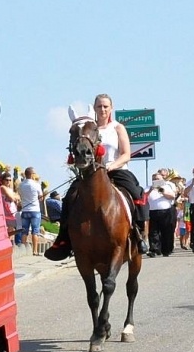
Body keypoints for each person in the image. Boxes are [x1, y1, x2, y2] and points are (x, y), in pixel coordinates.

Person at [44, 94, 149, 259]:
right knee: (69, 198)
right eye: (99, 106)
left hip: (116, 169)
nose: (103, 110)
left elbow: (126, 154)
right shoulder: (88, 128)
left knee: (137, 194)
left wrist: (111, 166)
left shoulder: (118, 127)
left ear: (111, 108)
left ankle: (140, 234)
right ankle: (64, 240)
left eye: (106, 106)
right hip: (92, 173)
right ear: (94, 109)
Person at [146, 169, 179, 257]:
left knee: (166, 232)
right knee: (153, 232)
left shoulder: (167, 186)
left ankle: (166, 250)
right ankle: (153, 249)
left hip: (165, 211)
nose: (156, 180)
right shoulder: (148, 187)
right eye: (154, 179)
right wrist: (150, 190)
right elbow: (144, 197)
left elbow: (172, 196)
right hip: (152, 211)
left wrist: (162, 191)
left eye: (157, 179)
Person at [16, 166, 45, 255]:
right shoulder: (36, 184)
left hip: (25, 210)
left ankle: (24, 249)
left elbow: (20, 195)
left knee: (24, 231)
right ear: (32, 174)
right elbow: (40, 198)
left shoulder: (21, 185)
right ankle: (35, 251)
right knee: (35, 231)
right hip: (35, 210)